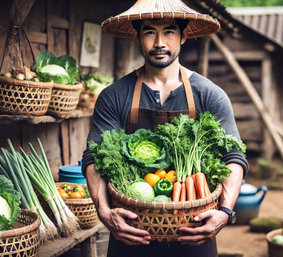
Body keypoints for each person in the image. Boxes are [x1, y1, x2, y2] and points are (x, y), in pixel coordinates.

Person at [82, 0, 248, 256]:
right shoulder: (114, 95)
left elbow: (233, 157)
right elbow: (94, 156)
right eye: (150, 32)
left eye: (169, 31)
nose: (159, 42)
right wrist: (104, 211)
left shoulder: (210, 95)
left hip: (195, 232)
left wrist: (225, 211)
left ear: (182, 37)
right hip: (132, 235)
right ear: (138, 37)